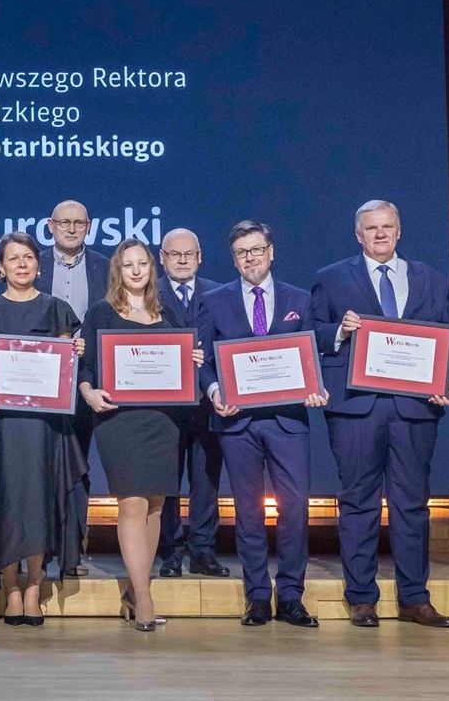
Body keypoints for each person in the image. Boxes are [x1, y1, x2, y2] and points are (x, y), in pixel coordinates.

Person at [311, 200, 449, 628]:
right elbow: (313, 333)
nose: (380, 234)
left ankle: (415, 598)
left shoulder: (431, 280)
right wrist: (339, 330)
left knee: (412, 505)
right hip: (356, 408)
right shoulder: (331, 278)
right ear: (358, 235)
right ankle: (361, 598)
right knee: (358, 502)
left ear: (399, 231)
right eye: (371, 228)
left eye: (387, 227)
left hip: (414, 409)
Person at [196, 220, 327, 628]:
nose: (249, 258)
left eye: (256, 250)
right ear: (234, 259)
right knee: (248, 512)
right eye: (241, 253)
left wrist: (314, 388)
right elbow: (203, 362)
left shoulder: (300, 299)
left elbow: (312, 357)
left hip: (288, 421)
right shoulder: (214, 300)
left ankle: (291, 595)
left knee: (295, 511)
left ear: (271, 251)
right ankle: (256, 596)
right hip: (237, 424)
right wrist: (215, 391)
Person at [0, 232, 86, 626]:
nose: (21, 264)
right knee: (6, 504)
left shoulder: (57, 309)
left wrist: (74, 356)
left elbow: (66, 369)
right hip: (2, 425)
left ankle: (34, 585)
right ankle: (10, 586)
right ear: (1, 268)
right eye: (13, 258)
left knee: (38, 504)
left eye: (28, 257)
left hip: (45, 428)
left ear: (38, 264)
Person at [78, 238, 203, 630]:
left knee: (154, 505)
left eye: (143, 264)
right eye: (128, 264)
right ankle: (145, 599)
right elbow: (83, 368)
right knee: (131, 503)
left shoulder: (166, 312)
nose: (136, 271)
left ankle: (136, 591)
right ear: (118, 270)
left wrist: (193, 360)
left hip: (162, 420)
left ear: (152, 269)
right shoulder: (100, 312)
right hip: (119, 421)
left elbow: (184, 365)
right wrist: (89, 394)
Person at [153, 227, 229, 579]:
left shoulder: (220, 294)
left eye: (189, 254)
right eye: (174, 254)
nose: (182, 260)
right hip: (165, 406)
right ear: (162, 258)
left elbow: (228, 344)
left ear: (199, 257)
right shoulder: (148, 293)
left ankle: (202, 550)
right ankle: (169, 551)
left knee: (206, 479)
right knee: (167, 480)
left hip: (207, 402)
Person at [38, 200, 109, 576]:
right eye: (64, 222)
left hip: (87, 379)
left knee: (78, 465)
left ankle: (73, 549)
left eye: (78, 222)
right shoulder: (33, 263)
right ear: (50, 226)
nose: (71, 228)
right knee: (40, 464)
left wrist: (89, 348)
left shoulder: (104, 266)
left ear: (88, 226)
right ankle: (39, 548)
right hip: (39, 377)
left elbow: (113, 318)